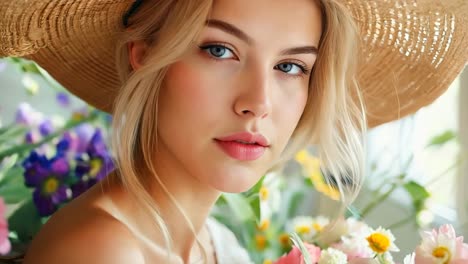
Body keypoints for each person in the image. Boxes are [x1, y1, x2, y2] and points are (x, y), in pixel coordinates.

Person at [0, 0, 467, 263]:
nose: (258, 102)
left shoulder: (213, 242)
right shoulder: (102, 252)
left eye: (290, 66)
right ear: (144, 55)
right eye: (220, 50)